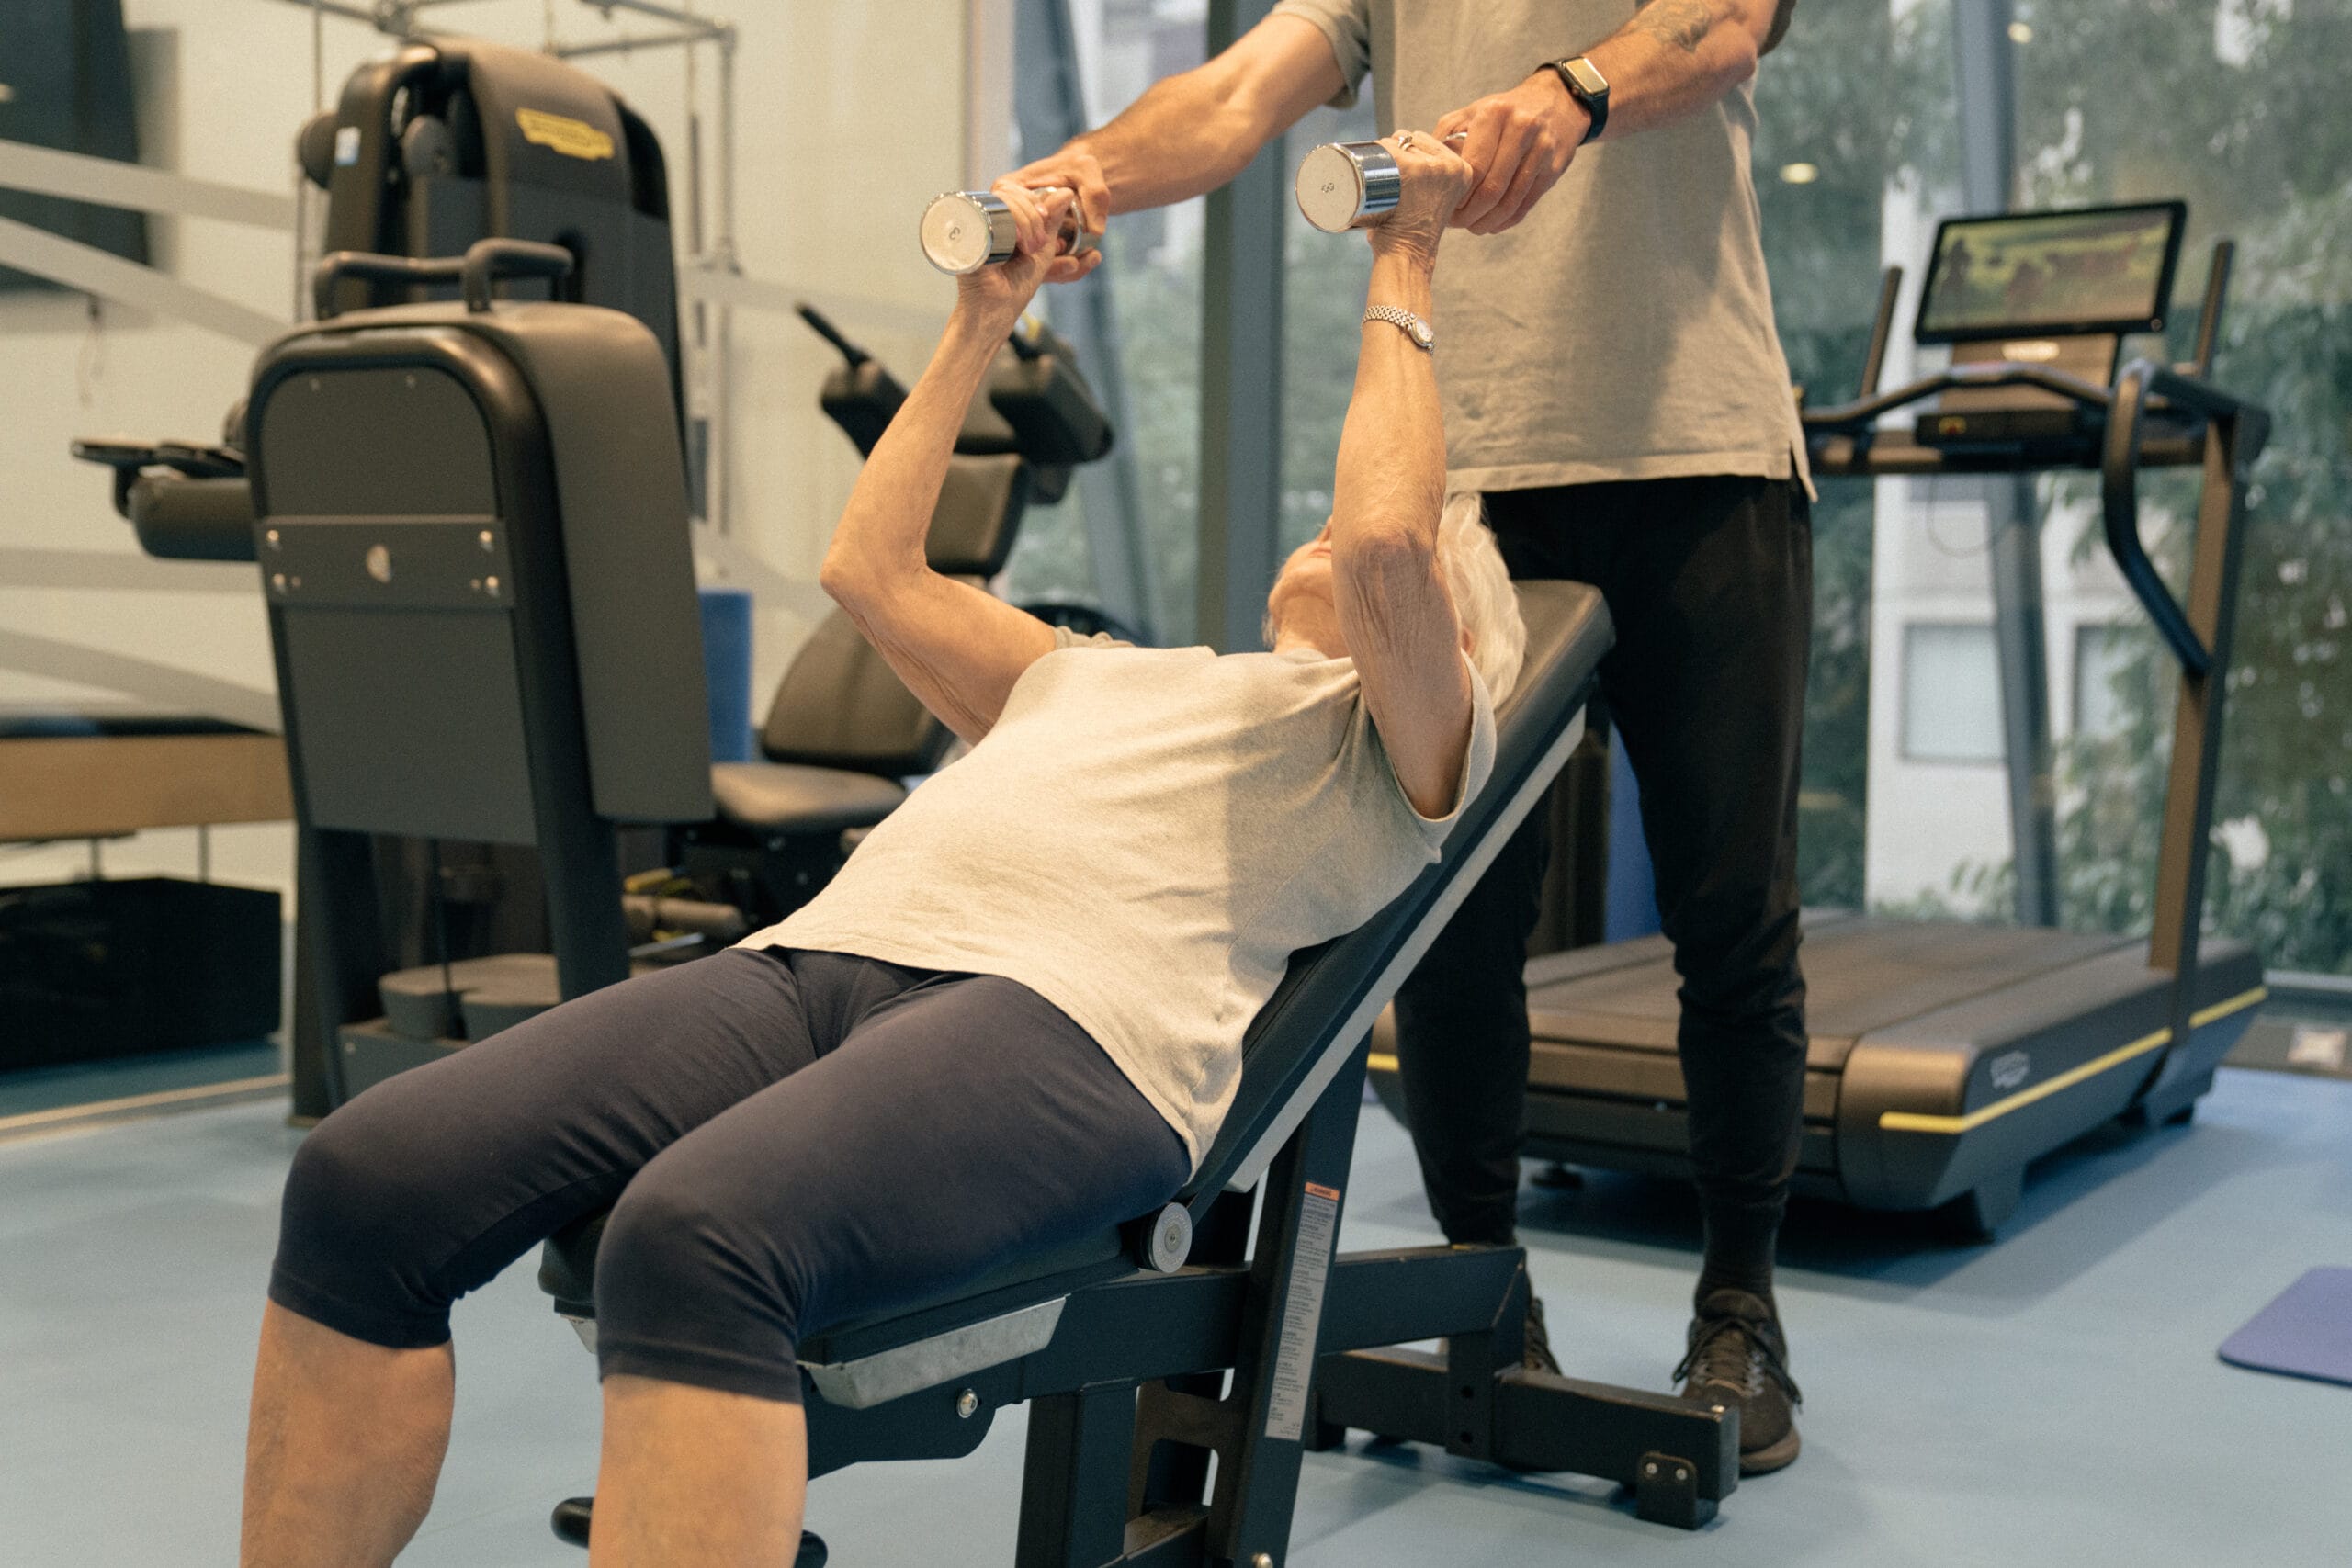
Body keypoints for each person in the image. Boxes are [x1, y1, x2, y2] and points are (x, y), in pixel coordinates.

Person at [238, 144, 1510, 1566]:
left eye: (1360, 547)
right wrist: (985, 318)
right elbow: (872, 572)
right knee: (364, 1178)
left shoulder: (1398, 750)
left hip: (1073, 1028)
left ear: (1456, 646)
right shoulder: (1098, 673)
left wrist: (1410, 250)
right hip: (811, 967)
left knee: (694, 1236)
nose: (1332, 537)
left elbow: (1396, 538)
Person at [1003, 0, 1813, 1473]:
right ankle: (1482, 1292)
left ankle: (1741, 1313)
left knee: (1731, 910)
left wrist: (1572, 90)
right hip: (1474, 458)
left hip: (1700, 442)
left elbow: (1725, 28)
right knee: (1447, 917)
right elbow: (1243, 92)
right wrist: (1091, 170)